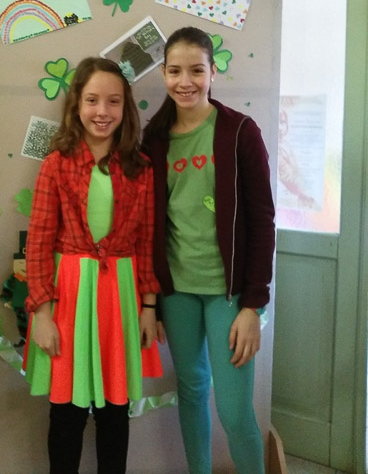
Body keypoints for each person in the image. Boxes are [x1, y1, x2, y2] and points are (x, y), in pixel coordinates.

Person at [142, 27, 275, 474]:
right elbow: (148, 224)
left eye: (196, 70)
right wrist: (151, 302)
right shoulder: (154, 139)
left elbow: (262, 220)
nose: (186, 82)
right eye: (175, 71)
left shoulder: (239, 131)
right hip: (177, 291)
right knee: (192, 390)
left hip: (229, 295)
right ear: (163, 74)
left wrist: (253, 305)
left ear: (213, 72)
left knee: (235, 412)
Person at [23, 57, 162, 474]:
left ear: (125, 108)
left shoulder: (140, 168)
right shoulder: (56, 164)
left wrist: (149, 307)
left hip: (120, 296)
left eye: (113, 101)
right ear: (77, 105)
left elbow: (146, 243)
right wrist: (42, 313)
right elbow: (39, 241)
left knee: (115, 410)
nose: (102, 111)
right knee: (66, 410)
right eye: (92, 100)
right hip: (70, 296)